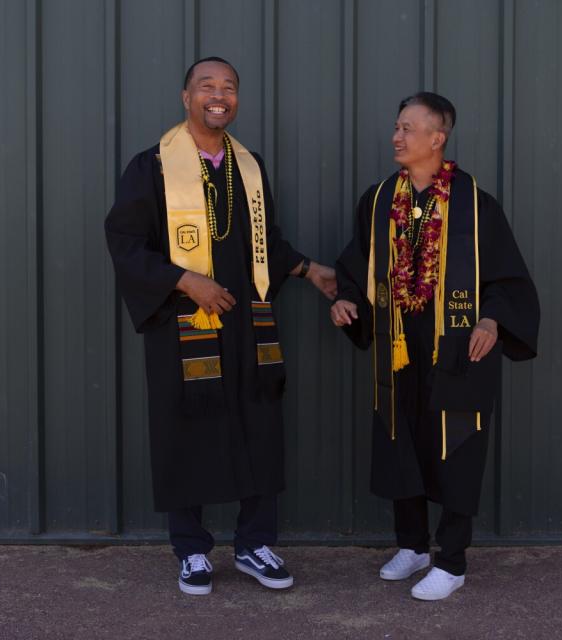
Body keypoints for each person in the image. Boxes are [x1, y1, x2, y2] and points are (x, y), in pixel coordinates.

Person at [105, 57, 336, 596]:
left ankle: (255, 543)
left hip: (248, 323)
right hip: (184, 324)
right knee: (186, 428)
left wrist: (308, 270)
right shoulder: (152, 167)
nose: (219, 95)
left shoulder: (249, 168)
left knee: (259, 426)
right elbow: (125, 243)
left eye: (228, 87)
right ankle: (191, 551)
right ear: (186, 96)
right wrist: (185, 281)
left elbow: (266, 245)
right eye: (206, 86)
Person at [331, 92, 539, 601]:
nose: (396, 136)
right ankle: (413, 545)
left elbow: (508, 278)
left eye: (408, 128)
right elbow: (357, 264)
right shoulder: (379, 200)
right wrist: (346, 300)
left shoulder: (474, 204)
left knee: (457, 446)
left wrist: (491, 319)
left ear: (437, 138)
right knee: (402, 437)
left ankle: (451, 558)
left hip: (458, 344)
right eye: (397, 127)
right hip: (398, 342)